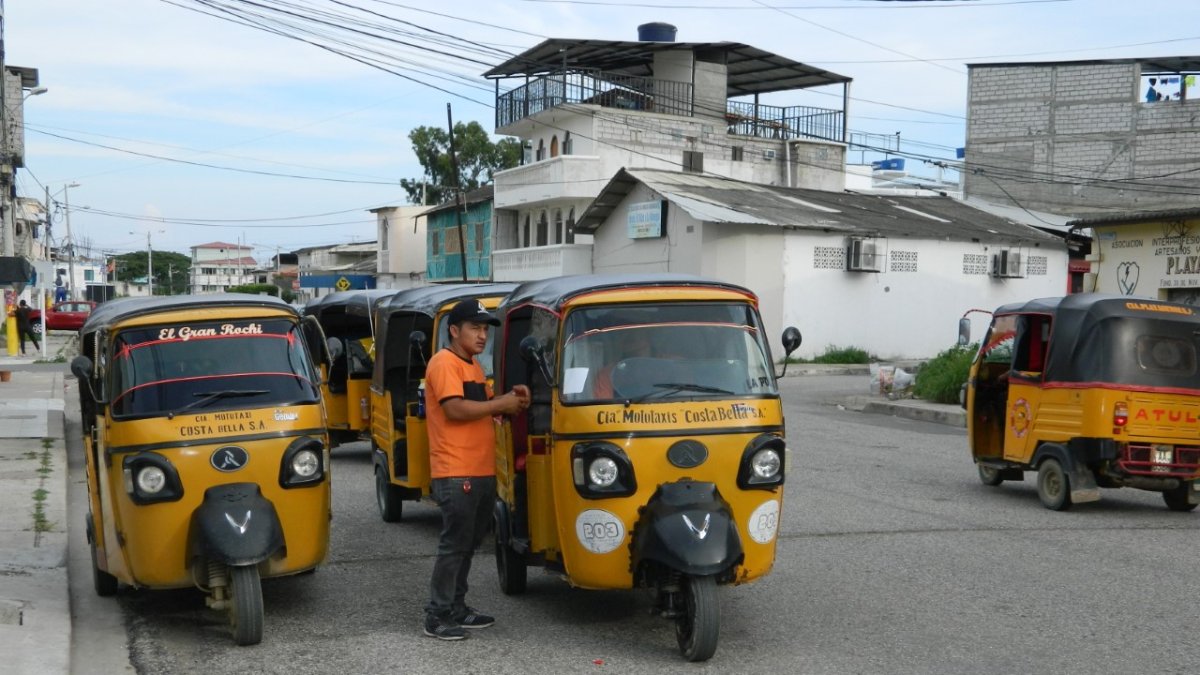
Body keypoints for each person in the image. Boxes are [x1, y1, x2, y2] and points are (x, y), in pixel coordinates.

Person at [422, 299, 530, 641]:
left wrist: (510, 402)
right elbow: (454, 410)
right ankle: (437, 615)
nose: (482, 335)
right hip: (456, 470)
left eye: (485, 329)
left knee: (467, 544)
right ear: (454, 331)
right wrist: (500, 403)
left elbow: (481, 410)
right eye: (475, 328)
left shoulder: (472, 366)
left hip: (479, 469)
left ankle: (456, 607)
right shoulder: (444, 363)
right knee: (454, 545)